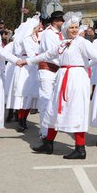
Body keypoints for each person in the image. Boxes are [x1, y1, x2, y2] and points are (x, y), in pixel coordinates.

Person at [27, 13, 97, 159]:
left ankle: (80, 148)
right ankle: (48, 143)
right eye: (71, 27)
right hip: (62, 78)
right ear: (66, 29)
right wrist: (28, 61)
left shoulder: (82, 42)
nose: (74, 30)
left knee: (76, 111)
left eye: (76, 27)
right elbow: (46, 55)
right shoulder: (62, 43)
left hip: (76, 79)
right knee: (53, 109)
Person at [36, 11, 65, 139]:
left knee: (52, 101)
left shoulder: (59, 34)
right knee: (46, 101)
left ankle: (49, 129)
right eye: (62, 21)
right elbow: (52, 53)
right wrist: (64, 61)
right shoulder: (48, 33)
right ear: (56, 21)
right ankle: (44, 132)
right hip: (47, 69)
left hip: (55, 70)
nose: (63, 23)